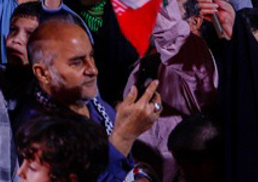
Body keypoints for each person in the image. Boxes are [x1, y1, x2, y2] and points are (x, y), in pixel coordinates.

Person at [16, 17, 163, 182]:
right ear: (43, 73)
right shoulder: (36, 131)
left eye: (91, 56)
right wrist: (124, 137)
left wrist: (141, 177)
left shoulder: (91, 101)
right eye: (77, 63)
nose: (93, 70)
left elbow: (129, 164)